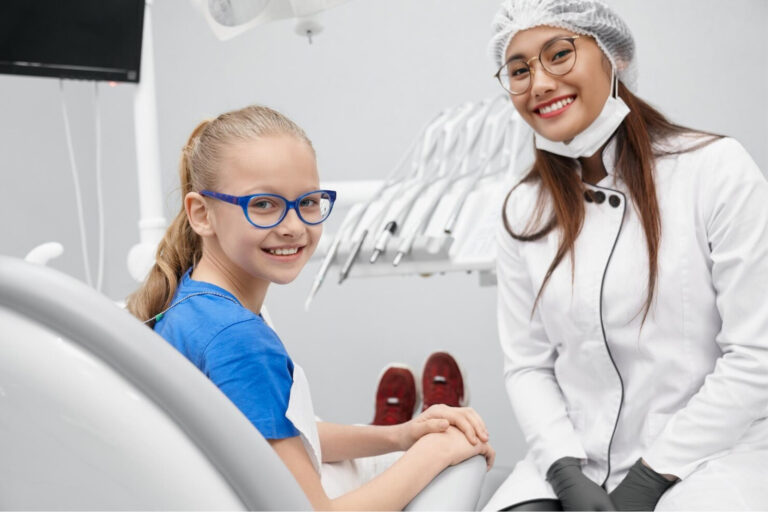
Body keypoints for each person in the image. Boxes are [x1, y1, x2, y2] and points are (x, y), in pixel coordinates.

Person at [125, 104, 494, 510]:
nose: (293, 226)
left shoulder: (193, 302)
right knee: (462, 463)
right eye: (263, 204)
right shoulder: (239, 341)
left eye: (309, 202)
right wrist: (438, 452)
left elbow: (286, 437)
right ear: (201, 214)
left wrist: (402, 436)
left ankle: (394, 419)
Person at [483, 0, 768, 510]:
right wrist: (564, 470)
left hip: (712, 455)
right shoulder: (522, 209)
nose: (540, 83)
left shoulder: (715, 171)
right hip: (578, 456)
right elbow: (527, 365)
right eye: (520, 69)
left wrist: (652, 476)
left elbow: (756, 355)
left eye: (559, 54)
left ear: (613, 57)